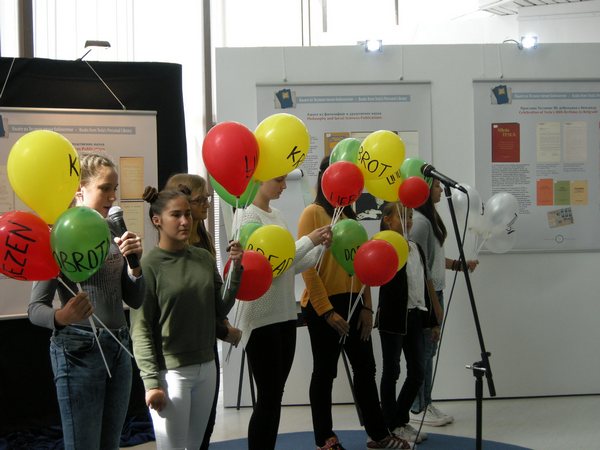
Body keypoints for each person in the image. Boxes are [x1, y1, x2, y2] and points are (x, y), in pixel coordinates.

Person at [28, 152, 144, 450]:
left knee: (110, 444)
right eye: (105, 188)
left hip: (119, 346)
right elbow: (35, 308)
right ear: (80, 189)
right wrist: (61, 316)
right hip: (79, 350)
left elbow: (135, 299)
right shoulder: (60, 233)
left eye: (114, 188)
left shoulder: (113, 229)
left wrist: (135, 267)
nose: (112, 196)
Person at [297, 156, 411, 450]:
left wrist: (367, 307)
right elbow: (307, 267)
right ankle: (325, 439)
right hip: (323, 306)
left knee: (366, 369)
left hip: (355, 301)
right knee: (325, 373)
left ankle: (378, 434)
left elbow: (361, 265)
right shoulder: (313, 213)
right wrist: (326, 311)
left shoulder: (351, 218)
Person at [129, 186, 243, 450]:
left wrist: (236, 270)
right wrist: (151, 383)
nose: (185, 221)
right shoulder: (149, 266)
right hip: (171, 373)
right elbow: (141, 328)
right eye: (176, 215)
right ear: (157, 220)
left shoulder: (203, 258)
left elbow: (220, 308)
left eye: (188, 214)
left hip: (207, 366)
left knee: (196, 445)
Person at [237, 175, 332, 450]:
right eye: (278, 180)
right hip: (261, 318)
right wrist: (309, 240)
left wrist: (319, 248)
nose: (284, 186)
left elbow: (289, 262)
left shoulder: (276, 215)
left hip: (285, 316)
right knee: (268, 396)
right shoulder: (246, 216)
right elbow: (269, 264)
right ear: (259, 178)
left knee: (274, 396)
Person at [164, 173, 242, 450]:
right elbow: (184, 310)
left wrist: (236, 270)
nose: (207, 204)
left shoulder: (205, 239)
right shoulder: (169, 252)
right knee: (179, 436)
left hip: (206, 347)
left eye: (207, 198)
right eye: (201, 199)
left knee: (204, 428)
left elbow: (214, 300)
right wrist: (222, 330)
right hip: (180, 353)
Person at [409, 179, 479, 426]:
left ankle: (425, 402)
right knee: (423, 352)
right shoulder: (420, 222)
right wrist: (434, 306)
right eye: (437, 186)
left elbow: (434, 259)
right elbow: (420, 267)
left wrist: (458, 265)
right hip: (426, 295)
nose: (441, 190)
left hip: (434, 291)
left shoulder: (429, 219)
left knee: (429, 351)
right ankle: (418, 407)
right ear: (426, 189)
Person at [377, 202, 442, 445]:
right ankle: (390, 425)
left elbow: (424, 285)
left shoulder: (416, 248)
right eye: (403, 216)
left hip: (415, 315)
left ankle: (399, 420)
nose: (409, 221)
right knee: (391, 371)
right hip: (393, 318)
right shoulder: (383, 246)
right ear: (387, 220)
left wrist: (433, 321)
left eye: (411, 216)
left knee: (417, 371)